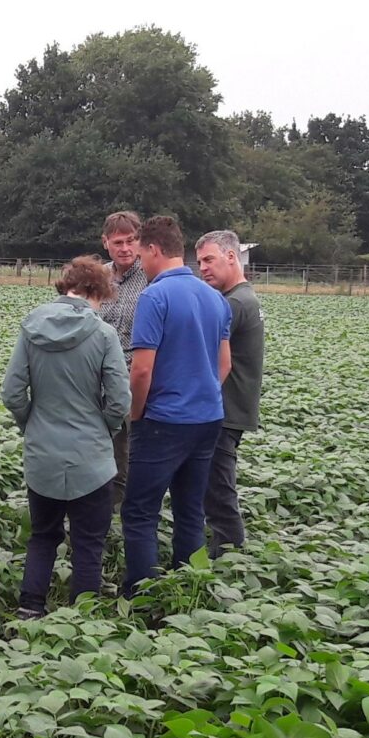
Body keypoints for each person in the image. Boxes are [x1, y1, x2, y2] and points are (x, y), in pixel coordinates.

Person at [1, 256, 128, 615]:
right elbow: (119, 400)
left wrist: (32, 424)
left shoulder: (31, 327)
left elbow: (11, 392)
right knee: (88, 541)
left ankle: (30, 608)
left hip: (43, 455)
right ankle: (81, 617)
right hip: (92, 458)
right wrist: (105, 429)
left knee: (43, 536)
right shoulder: (104, 335)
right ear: (95, 291)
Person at [119, 215, 231, 597]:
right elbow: (225, 362)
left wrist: (137, 414)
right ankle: (189, 586)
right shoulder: (215, 297)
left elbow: (141, 369)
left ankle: (143, 594)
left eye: (140, 255)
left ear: (152, 250)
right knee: (190, 510)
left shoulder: (155, 296)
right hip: (208, 418)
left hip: (164, 419)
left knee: (140, 512)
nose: (140, 264)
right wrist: (201, 392)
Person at [194, 228, 264, 552]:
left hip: (224, 410)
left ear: (231, 257)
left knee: (219, 492)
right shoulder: (243, 298)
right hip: (232, 408)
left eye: (209, 259)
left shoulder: (234, 303)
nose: (203, 268)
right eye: (199, 262)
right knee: (213, 487)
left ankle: (229, 558)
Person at [97, 211, 149, 506]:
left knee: (127, 454)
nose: (126, 248)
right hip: (96, 381)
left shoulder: (150, 278)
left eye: (131, 241)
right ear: (106, 243)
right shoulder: (99, 277)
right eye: (118, 242)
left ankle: (122, 513)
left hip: (134, 379)